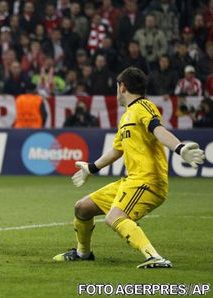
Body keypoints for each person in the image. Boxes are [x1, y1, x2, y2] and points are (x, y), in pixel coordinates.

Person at [53, 67, 205, 268]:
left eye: (117, 87)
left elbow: (158, 129)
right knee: (82, 208)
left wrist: (179, 147)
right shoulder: (126, 117)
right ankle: (83, 253)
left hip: (148, 181)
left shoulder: (144, 106)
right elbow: (117, 150)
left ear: (122, 87)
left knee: (114, 217)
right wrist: (91, 168)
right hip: (131, 180)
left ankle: (155, 257)